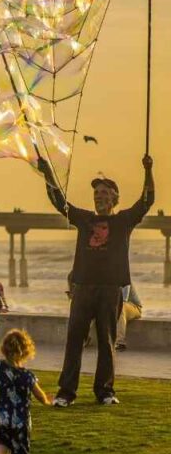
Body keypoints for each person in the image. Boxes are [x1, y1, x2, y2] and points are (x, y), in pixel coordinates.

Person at [39, 154, 154, 406]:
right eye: (96, 193)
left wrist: (148, 170)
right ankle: (65, 393)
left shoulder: (123, 220)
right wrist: (48, 174)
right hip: (83, 288)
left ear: (114, 197)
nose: (99, 196)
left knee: (107, 342)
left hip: (110, 289)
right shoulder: (84, 219)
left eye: (104, 192)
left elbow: (147, 201)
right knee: (74, 340)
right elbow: (59, 201)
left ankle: (105, 391)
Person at [0, 318, 50, 454]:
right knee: (21, 448)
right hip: (21, 419)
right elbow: (39, 395)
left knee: (2, 440)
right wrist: (48, 401)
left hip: (3, 416)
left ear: (4, 349)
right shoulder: (27, 375)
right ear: (25, 351)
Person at [117, 285, 143, 351]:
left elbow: (124, 299)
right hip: (116, 305)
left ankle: (120, 342)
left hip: (134, 306)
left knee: (120, 306)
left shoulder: (124, 278)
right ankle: (87, 336)